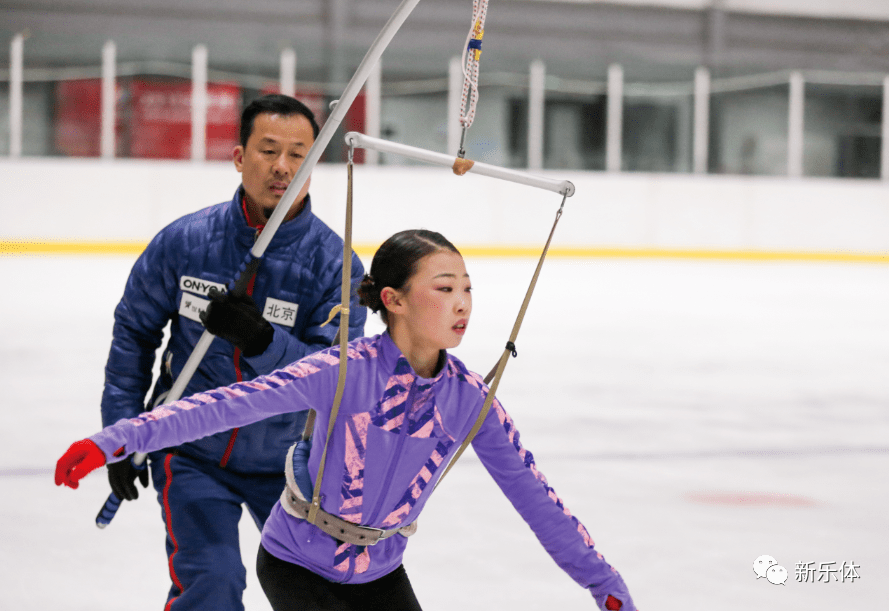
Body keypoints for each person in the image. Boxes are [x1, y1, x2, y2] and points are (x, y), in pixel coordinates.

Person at [58, 229, 637, 611]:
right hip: (296, 564)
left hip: (380, 572)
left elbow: (535, 497)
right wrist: (115, 439)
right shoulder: (342, 370)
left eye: (467, 289)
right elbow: (221, 406)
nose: (463, 303)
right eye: (444, 288)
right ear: (394, 299)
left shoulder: (470, 400)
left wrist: (604, 584)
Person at [96, 93, 366, 611]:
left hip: (290, 464)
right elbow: (133, 335)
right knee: (213, 583)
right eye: (267, 150)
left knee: (321, 594)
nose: (283, 167)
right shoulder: (186, 242)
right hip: (192, 450)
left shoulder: (337, 266)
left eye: (298, 154)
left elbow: (332, 377)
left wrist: (263, 342)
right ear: (240, 157)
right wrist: (121, 432)